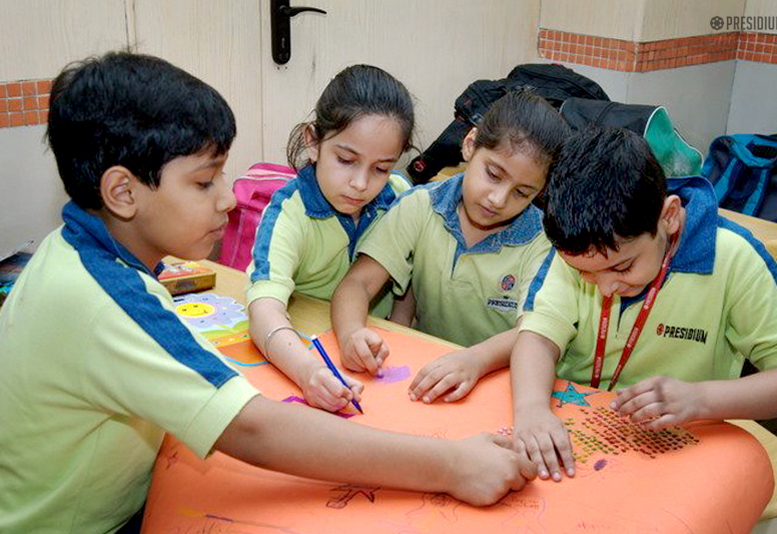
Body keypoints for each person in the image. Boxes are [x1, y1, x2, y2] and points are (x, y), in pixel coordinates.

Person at [0, 51, 535, 534]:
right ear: (123, 192)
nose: (230, 200)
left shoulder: (74, 254)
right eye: (204, 182)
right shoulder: (107, 301)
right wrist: (452, 464)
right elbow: (255, 430)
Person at [510, 127, 777, 483]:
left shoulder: (732, 258)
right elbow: (537, 337)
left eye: (622, 267)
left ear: (669, 217)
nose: (606, 287)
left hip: (679, 446)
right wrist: (532, 409)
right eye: (584, 273)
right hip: (577, 430)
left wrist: (700, 399)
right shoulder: (582, 244)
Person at [331, 92, 570, 404]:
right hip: (426, 373)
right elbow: (358, 283)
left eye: (522, 193)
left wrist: (476, 360)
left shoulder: (543, 244)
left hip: (504, 386)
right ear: (470, 144)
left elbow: (535, 335)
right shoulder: (421, 206)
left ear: (540, 191)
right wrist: (351, 334)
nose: (498, 199)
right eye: (493, 174)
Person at [246, 65, 417, 413]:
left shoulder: (400, 194)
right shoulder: (289, 212)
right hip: (307, 354)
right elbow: (264, 311)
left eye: (381, 168)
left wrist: (396, 335)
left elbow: (412, 280)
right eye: (346, 160)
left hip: (379, 360)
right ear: (313, 142)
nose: (360, 184)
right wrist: (307, 371)